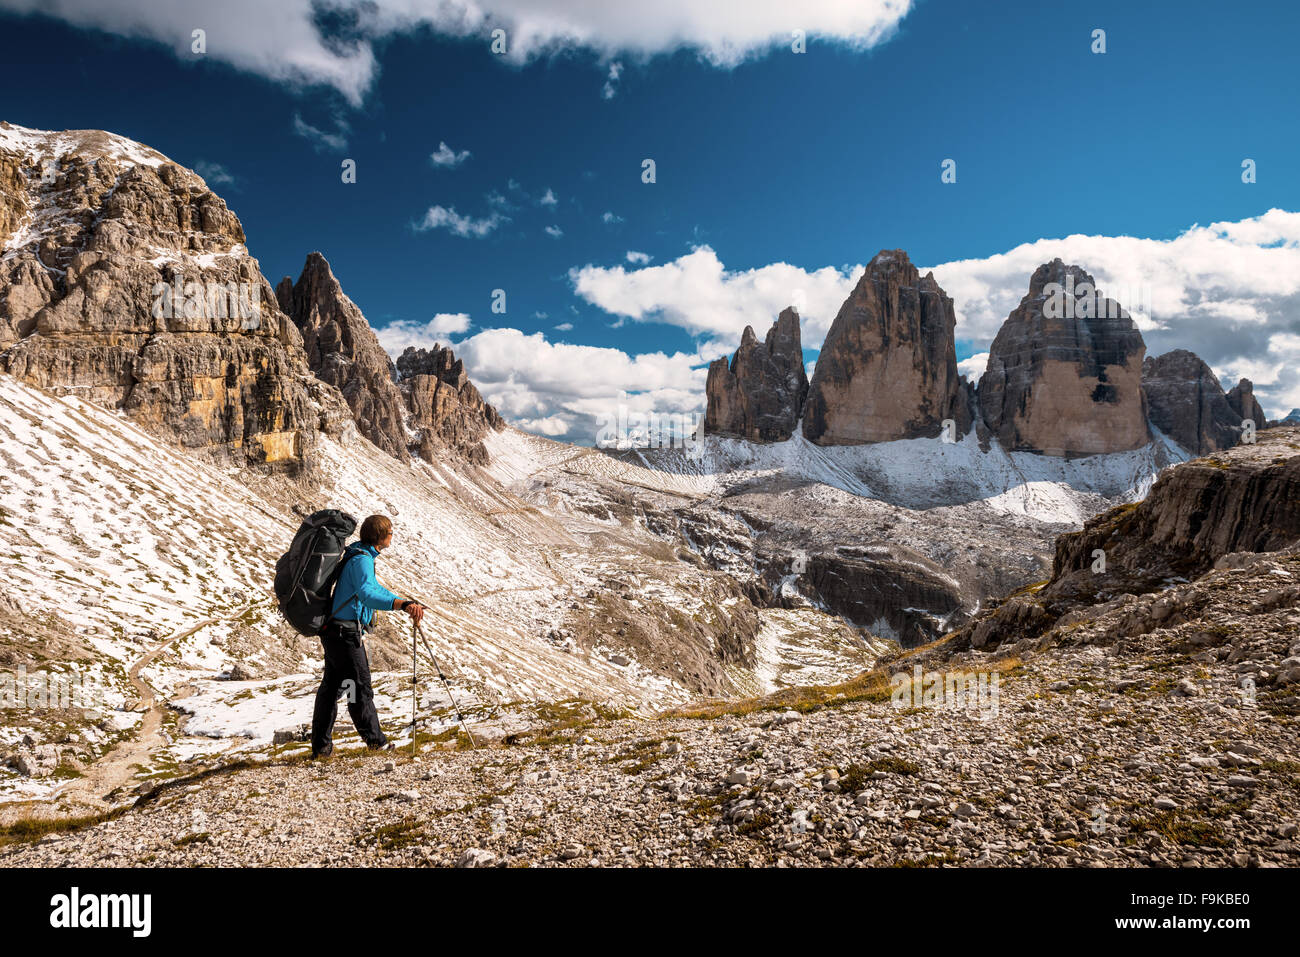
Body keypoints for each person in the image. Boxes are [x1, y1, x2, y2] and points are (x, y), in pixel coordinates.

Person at [311, 514, 424, 759]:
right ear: (381, 536)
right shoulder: (362, 560)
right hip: (345, 635)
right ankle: (376, 743)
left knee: (332, 689)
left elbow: (372, 588)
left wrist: (403, 600)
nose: (392, 536)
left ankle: (321, 749)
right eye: (391, 532)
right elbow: (367, 594)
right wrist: (401, 605)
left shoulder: (359, 555)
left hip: (335, 632)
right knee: (359, 688)